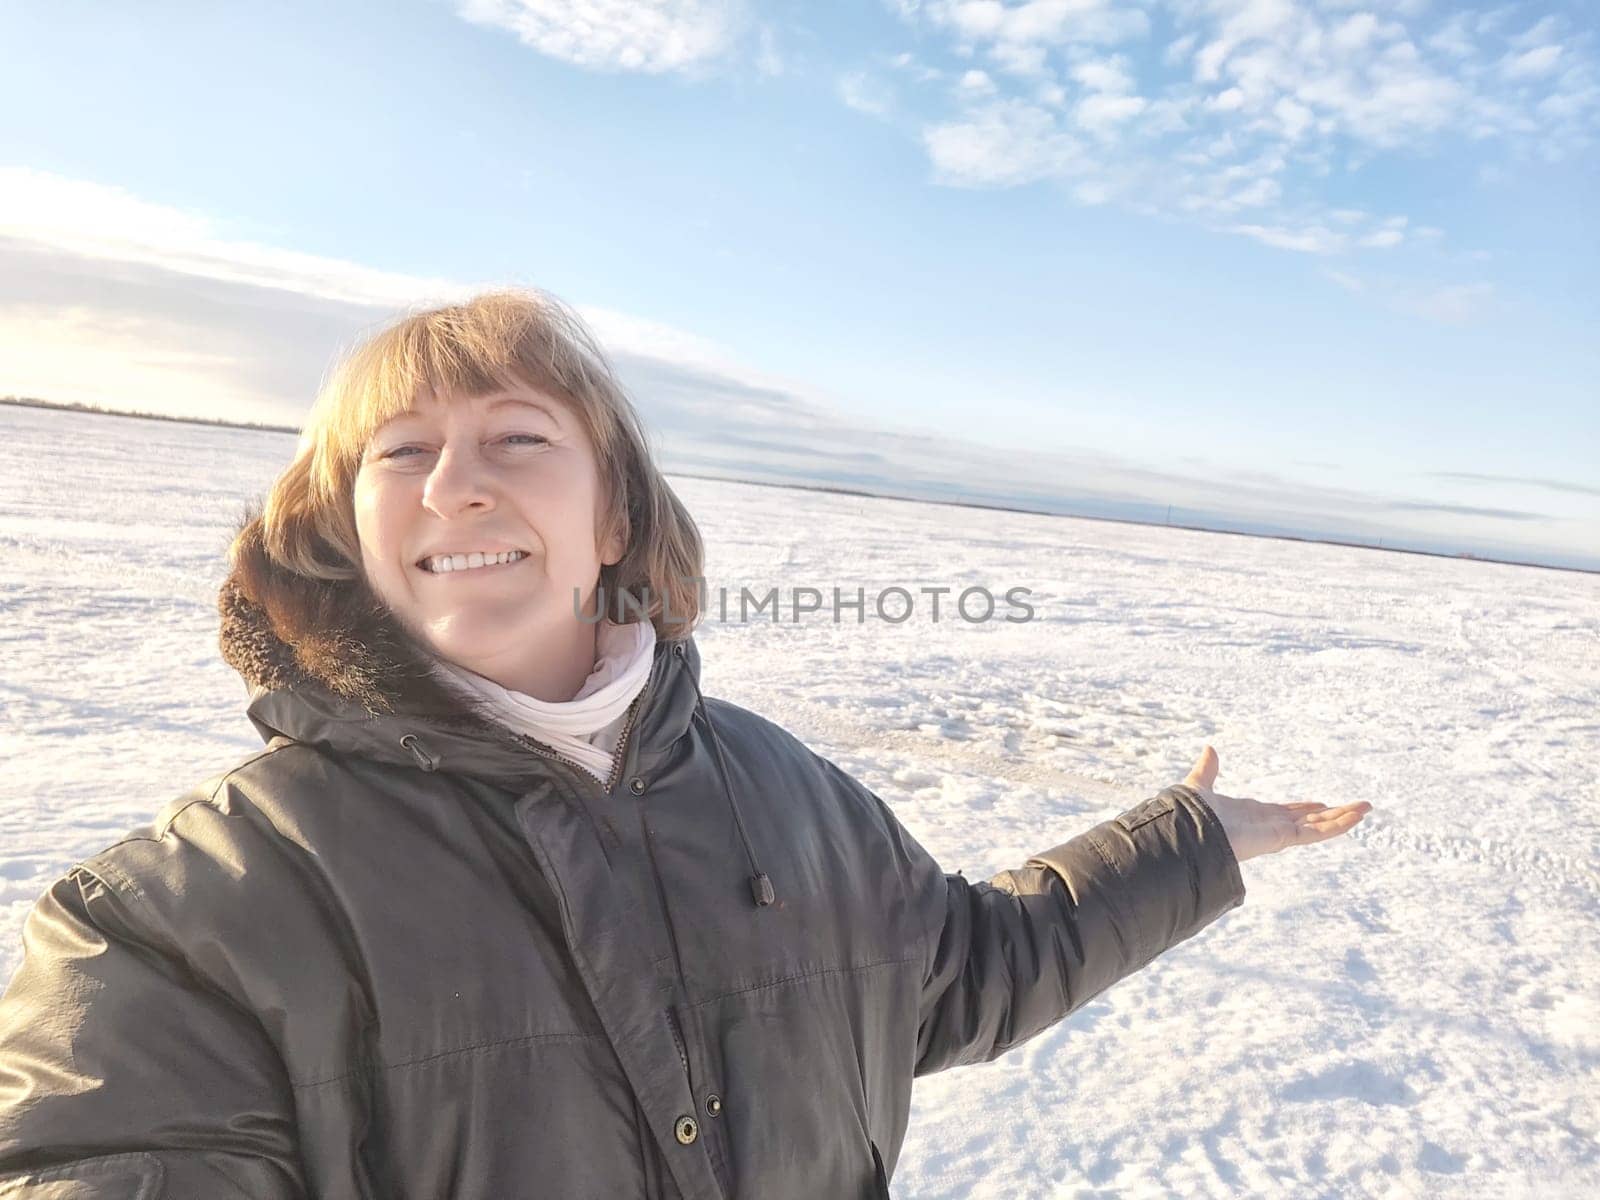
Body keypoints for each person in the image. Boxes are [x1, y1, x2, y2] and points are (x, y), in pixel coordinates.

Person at [0, 290, 1370, 1199]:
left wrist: (1195, 840)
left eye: (517, 436)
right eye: (399, 453)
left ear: (613, 519)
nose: (457, 481)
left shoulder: (789, 796)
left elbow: (959, 974)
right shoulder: (172, 925)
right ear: (353, 533)